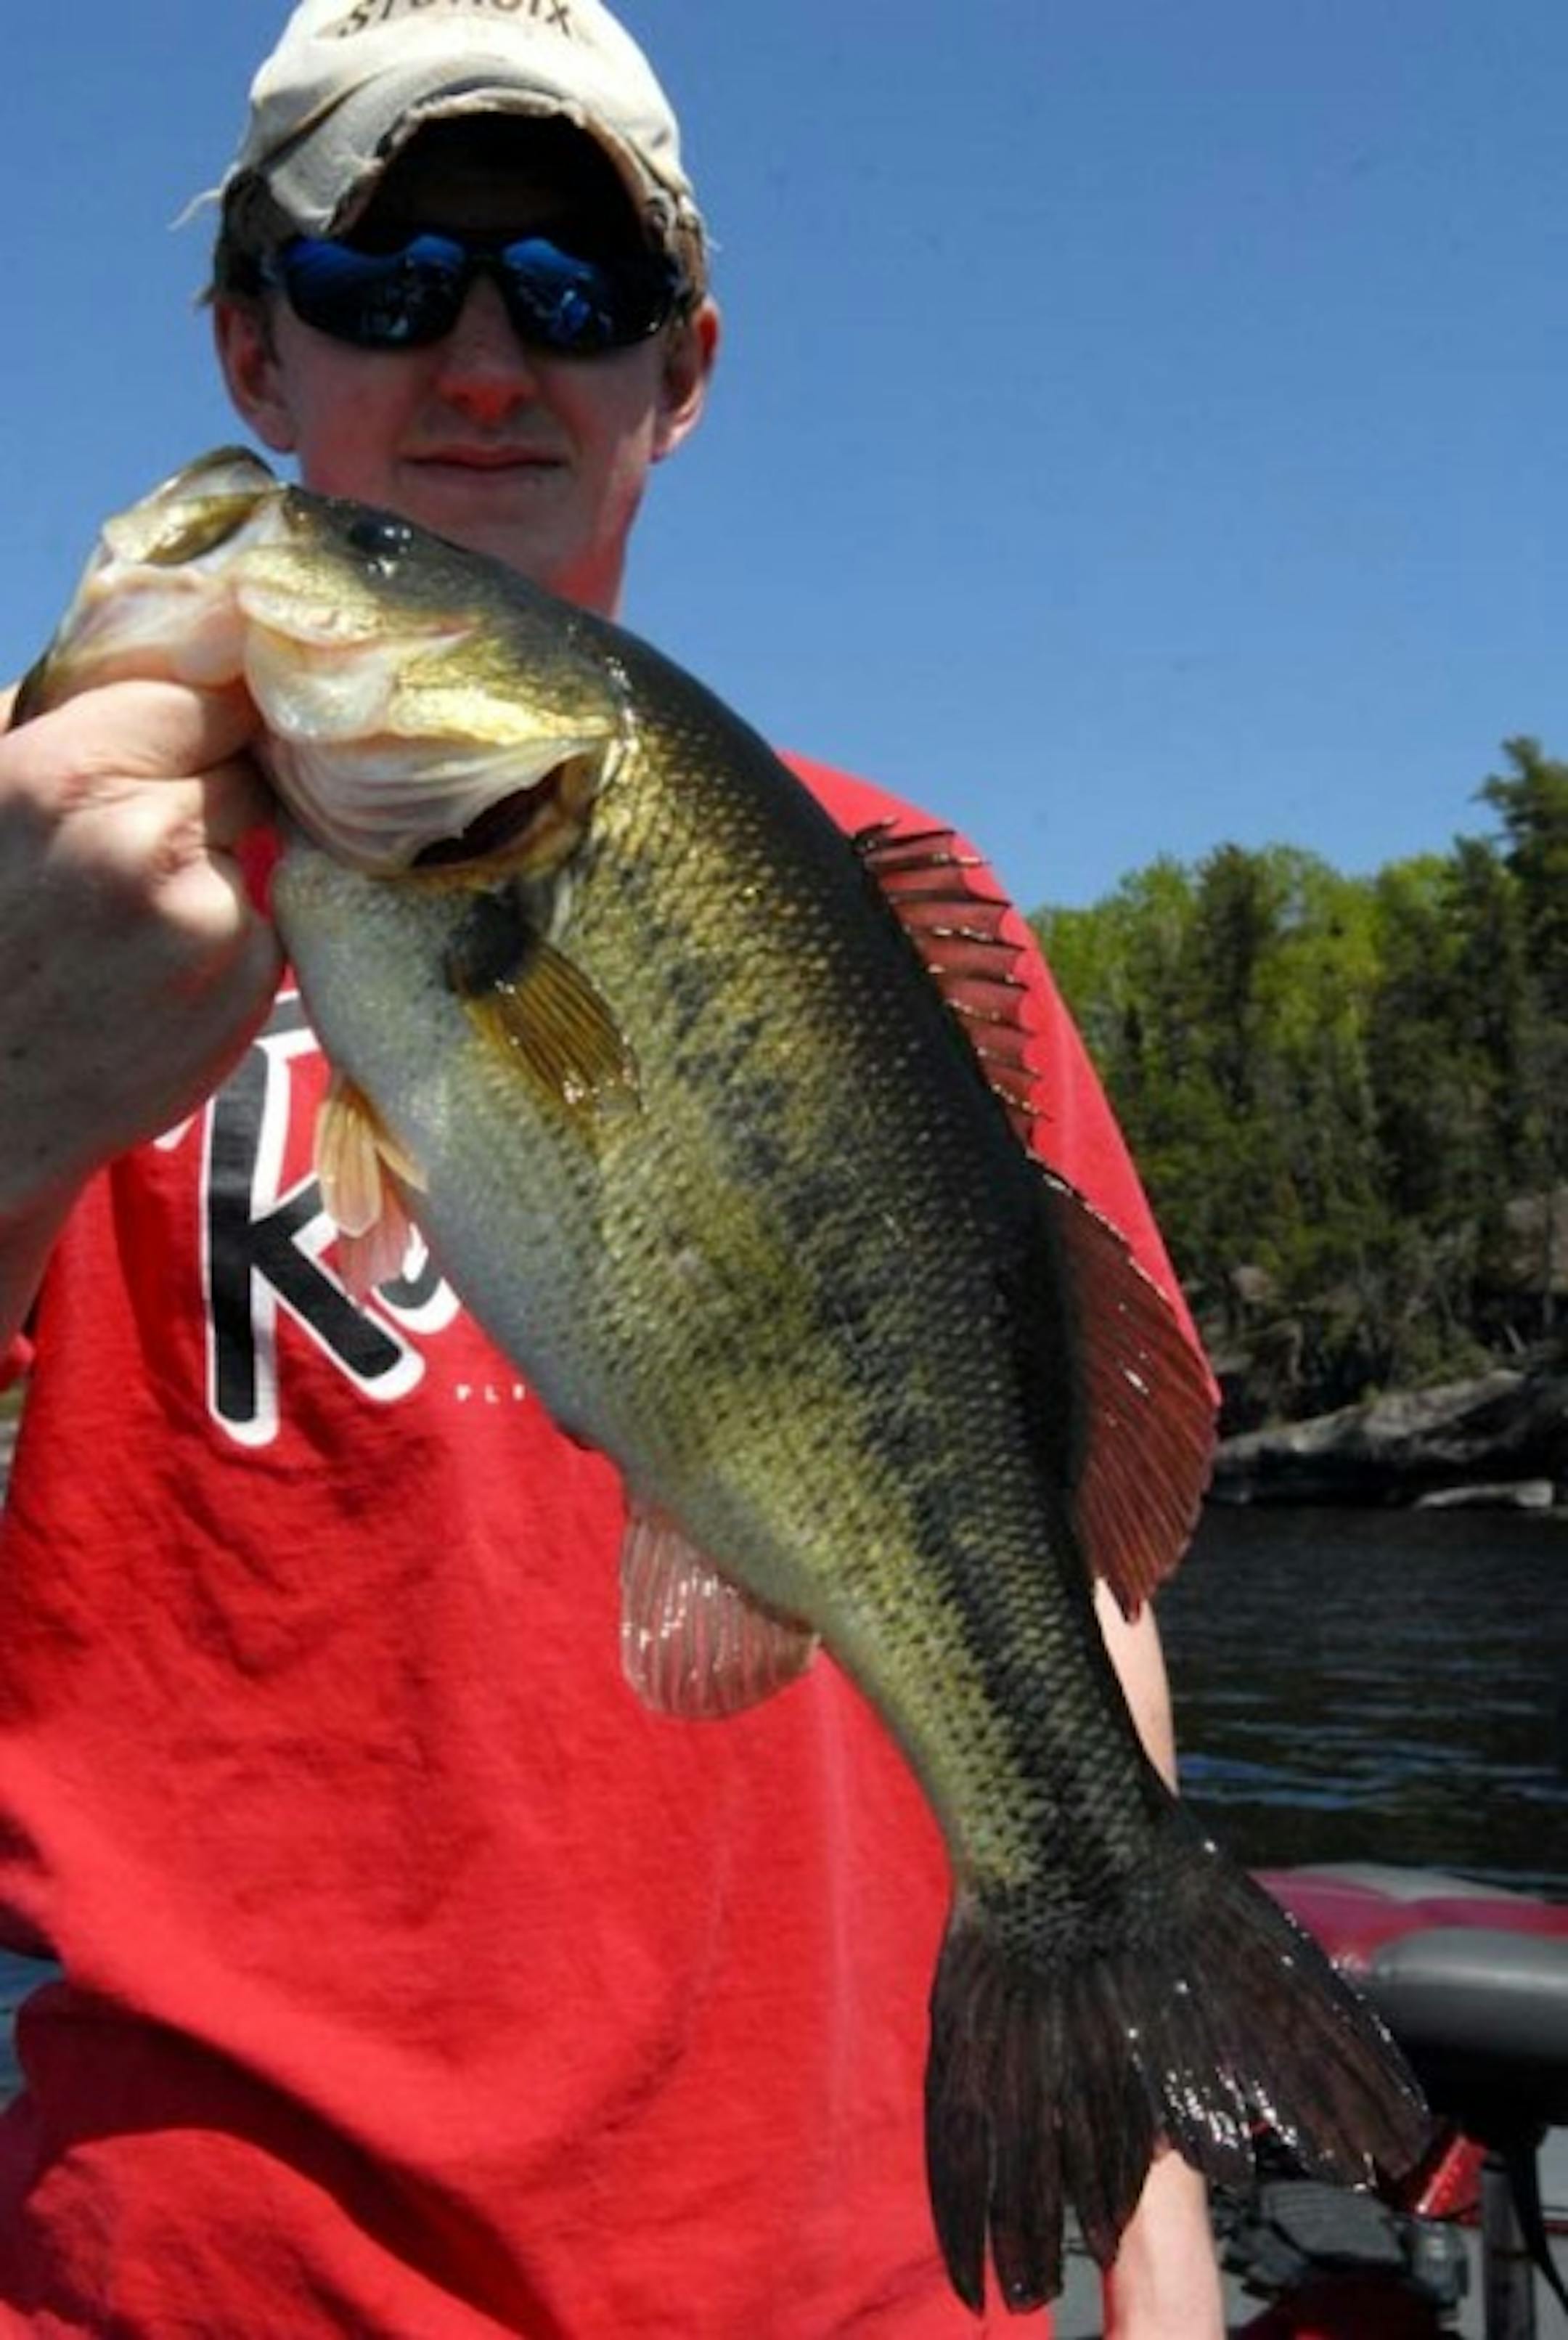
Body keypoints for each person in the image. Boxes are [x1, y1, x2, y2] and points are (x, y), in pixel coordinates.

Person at [0, 4, 1226, 2333]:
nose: (485, 362)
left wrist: (1152, 2229)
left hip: (858, 2277)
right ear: (252, 348)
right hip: (212, 2282)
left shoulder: (903, 915)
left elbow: (1067, 1567)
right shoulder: (38, 906)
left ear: (682, 373)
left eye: (576, 291)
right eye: (384, 280)